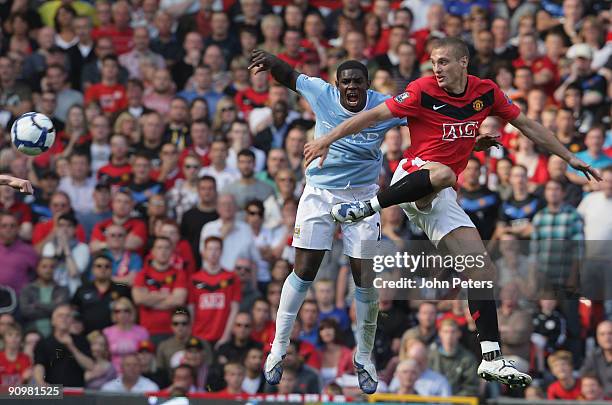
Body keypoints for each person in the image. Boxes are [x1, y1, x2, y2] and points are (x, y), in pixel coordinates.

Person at [303, 37, 600, 387]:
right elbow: (371, 117)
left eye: (443, 61)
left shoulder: (486, 92)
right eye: (433, 61)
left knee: (482, 268)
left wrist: (568, 156)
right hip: (413, 176)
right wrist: (326, 139)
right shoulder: (421, 90)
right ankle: (364, 207)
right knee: (443, 173)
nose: (436, 68)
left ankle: (491, 357)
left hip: (442, 195)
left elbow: (528, 126)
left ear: (464, 62)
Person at [248, 47, 405, 394]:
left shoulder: (385, 105)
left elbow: (424, 117)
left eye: (358, 82)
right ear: (336, 85)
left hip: (363, 196)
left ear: (367, 84)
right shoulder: (322, 93)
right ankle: (278, 347)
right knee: (303, 272)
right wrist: (270, 59)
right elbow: (289, 75)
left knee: (365, 278)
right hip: (320, 193)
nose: (352, 87)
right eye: (346, 82)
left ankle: (364, 356)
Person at [33, 304, 94, 387]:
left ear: (72, 320)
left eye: (68, 316)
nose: (64, 319)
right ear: (52, 321)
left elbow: (90, 366)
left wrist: (72, 346)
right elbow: (39, 365)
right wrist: (40, 382)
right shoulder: (43, 343)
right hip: (53, 393)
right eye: (60, 316)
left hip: (76, 393)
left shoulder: (81, 341)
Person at [103, 297, 150, 372]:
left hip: (136, 372)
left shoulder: (142, 332)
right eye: (117, 311)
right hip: (112, 374)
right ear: (114, 314)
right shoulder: (107, 332)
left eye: (126, 310)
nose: (122, 314)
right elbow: (103, 356)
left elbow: (145, 355)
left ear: (132, 312)